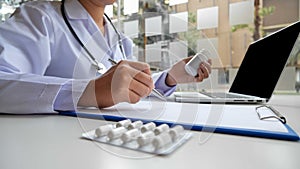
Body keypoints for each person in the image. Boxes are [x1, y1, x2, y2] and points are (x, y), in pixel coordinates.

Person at [0, 0, 211, 114]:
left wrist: (170, 78)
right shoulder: (39, 17)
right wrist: (90, 91)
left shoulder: (119, 36)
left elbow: (127, 90)